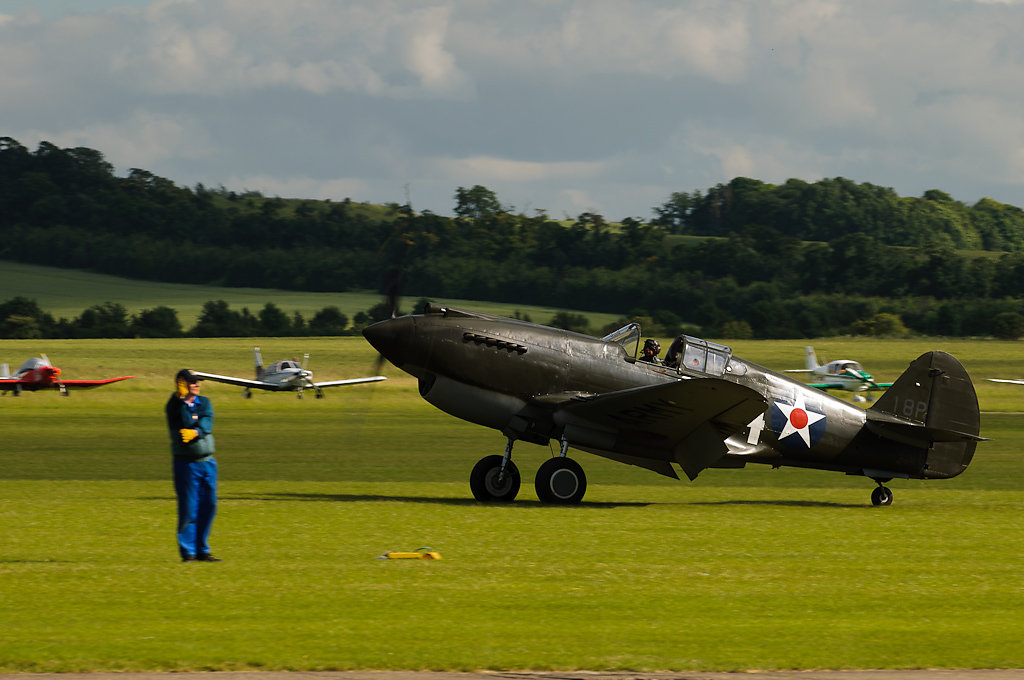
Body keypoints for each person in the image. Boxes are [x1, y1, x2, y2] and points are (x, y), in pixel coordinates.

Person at [165, 369, 220, 562]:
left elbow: (207, 424)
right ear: (181, 384)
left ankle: (202, 549)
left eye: (198, 382)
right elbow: (185, 421)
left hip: (207, 462)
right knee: (189, 507)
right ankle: (188, 552)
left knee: (209, 505)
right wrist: (180, 400)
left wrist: (195, 432)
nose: (196, 385)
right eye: (192, 382)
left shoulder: (204, 402)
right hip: (186, 463)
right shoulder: (173, 406)